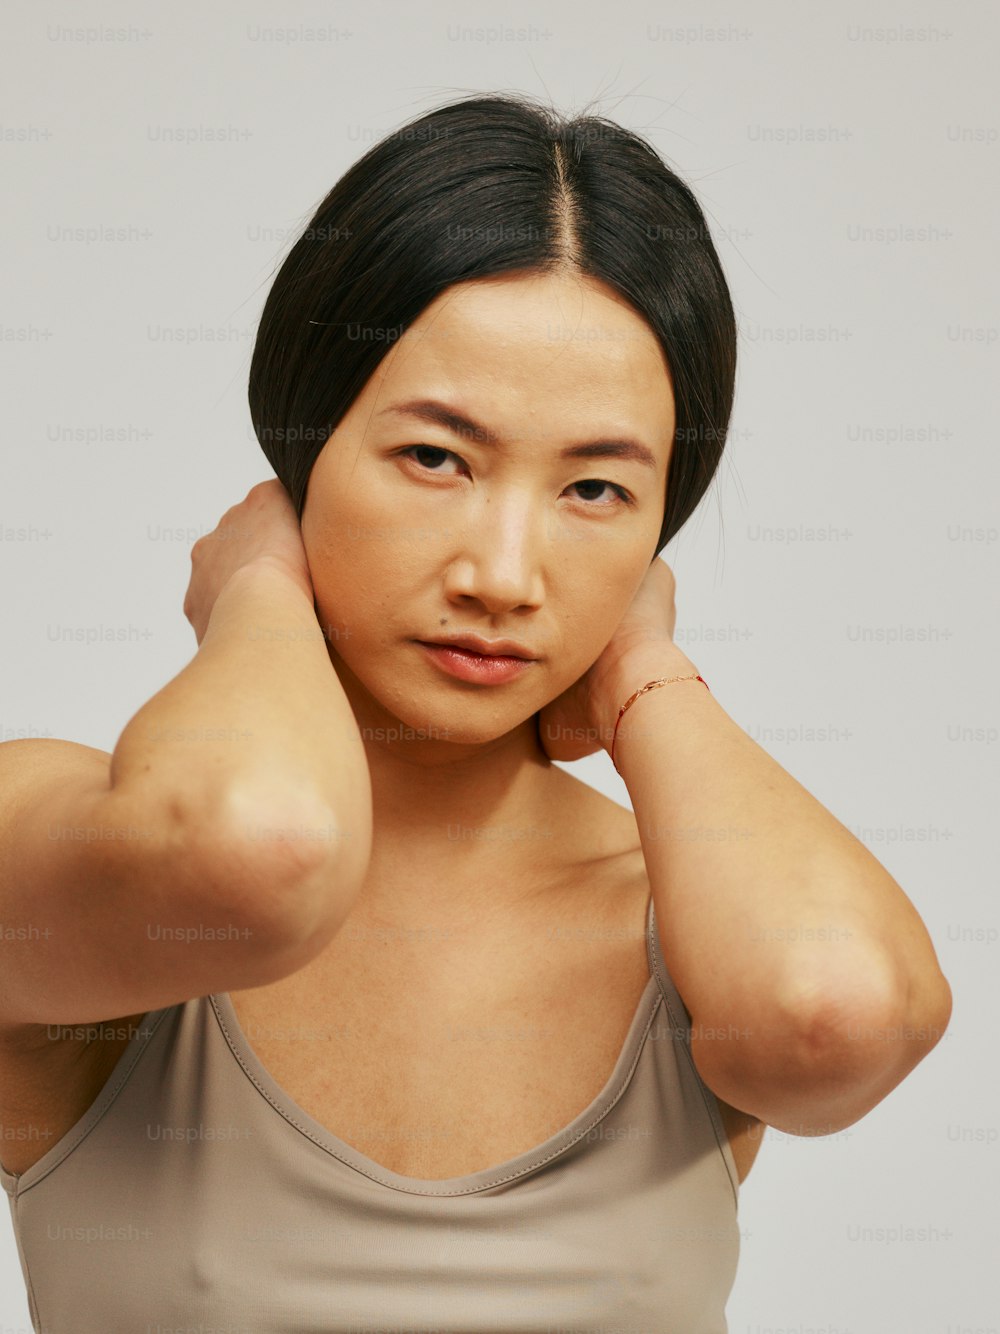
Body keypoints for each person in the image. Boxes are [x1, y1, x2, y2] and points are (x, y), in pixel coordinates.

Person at [0, 91, 951, 1332]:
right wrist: (256, 588)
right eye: (436, 458)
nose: (503, 575)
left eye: (597, 487)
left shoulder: (697, 919)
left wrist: (644, 674)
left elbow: (836, 1017)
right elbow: (255, 847)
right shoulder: (75, 845)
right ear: (304, 448)